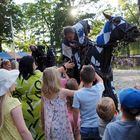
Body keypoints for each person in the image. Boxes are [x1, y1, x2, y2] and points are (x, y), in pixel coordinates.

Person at [15, 55, 75, 139]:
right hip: (38, 110)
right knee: (41, 133)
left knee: (29, 132)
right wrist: (65, 67)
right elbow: (50, 75)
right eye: (34, 63)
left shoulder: (17, 79)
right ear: (30, 65)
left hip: (23, 111)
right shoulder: (37, 76)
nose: (35, 64)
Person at [41, 67, 76, 140]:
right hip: (61, 126)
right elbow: (79, 93)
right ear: (56, 79)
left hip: (49, 125)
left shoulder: (44, 93)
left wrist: (43, 123)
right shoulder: (62, 92)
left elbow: (42, 110)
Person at [72, 65, 105, 140]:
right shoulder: (98, 89)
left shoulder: (78, 94)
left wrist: (76, 126)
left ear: (81, 79)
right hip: (98, 125)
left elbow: (75, 112)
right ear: (94, 79)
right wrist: (93, 71)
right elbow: (101, 80)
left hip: (85, 127)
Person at [0, 69, 33, 140]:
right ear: (7, 85)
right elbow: (23, 131)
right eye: (12, 81)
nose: (15, 82)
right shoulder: (13, 103)